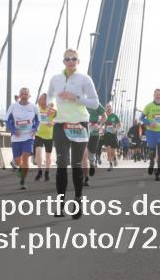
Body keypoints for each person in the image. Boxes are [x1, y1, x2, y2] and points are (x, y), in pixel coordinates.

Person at [46, 48, 100, 219]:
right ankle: (60, 206)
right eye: (67, 59)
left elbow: (94, 103)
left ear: (78, 61)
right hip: (61, 124)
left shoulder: (85, 79)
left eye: (74, 59)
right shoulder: (55, 79)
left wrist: (76, 98)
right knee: (62, 164)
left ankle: (77, 201)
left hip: (79, 124)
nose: (70, 61)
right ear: (63, 61)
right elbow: (49, 97)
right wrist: (51, 105)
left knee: (76, 164)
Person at [6, 87, 39, 189]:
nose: (24, 96)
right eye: (22, 94)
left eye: (26, 94)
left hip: (28, 136)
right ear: (19, 95)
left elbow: (38, 120)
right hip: (16, 137)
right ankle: (20, 168)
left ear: (29, 96)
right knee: (17, 161)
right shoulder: (13, 106)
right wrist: (13, 130)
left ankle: (23, 180)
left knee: (25, 157)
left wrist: (35, 129)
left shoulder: (33, 107)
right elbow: (7, 120)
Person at [141, 89, 160, 180]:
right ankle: (151, 163)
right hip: (151, 132)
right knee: (152, 152)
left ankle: (158, 173)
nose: (158, 96)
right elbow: (141, 118)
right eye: (156, 94)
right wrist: (149, 123)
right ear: (153, 95)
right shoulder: (148, 106)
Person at [34, 92, 56, 181]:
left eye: (41, 99)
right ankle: (39, 171)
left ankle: (47, 172)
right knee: (38, 151)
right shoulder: (36, 108)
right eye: (39, 98)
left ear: (46, 100)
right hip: (38, 134)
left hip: (49, 135)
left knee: (48, 155)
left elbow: (57, 119)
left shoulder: (52, 109)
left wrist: (52, 122)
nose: (39, 100)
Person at [84, 102, 106, 186]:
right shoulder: (80, 101)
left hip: (94, 133)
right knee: (84, 154)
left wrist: (99, 124)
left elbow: (104, 116)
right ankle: (85, 178)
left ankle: (92, 164)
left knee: (91, 153)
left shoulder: (96, 103)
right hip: (82, 132)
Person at [101, 103, 120, 171]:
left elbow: (119, 124)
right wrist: (102, 129)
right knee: (108, 150)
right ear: (105, 108)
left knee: (113, 151)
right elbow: (101, 124)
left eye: (110, 107)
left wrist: (116, 129)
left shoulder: (114, 116)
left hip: (113, 135)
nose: (108, 108)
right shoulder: (104, 116)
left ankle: (114, 158)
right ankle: (110, 165)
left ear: (111, 108)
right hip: (107, 135)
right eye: (107, 107)